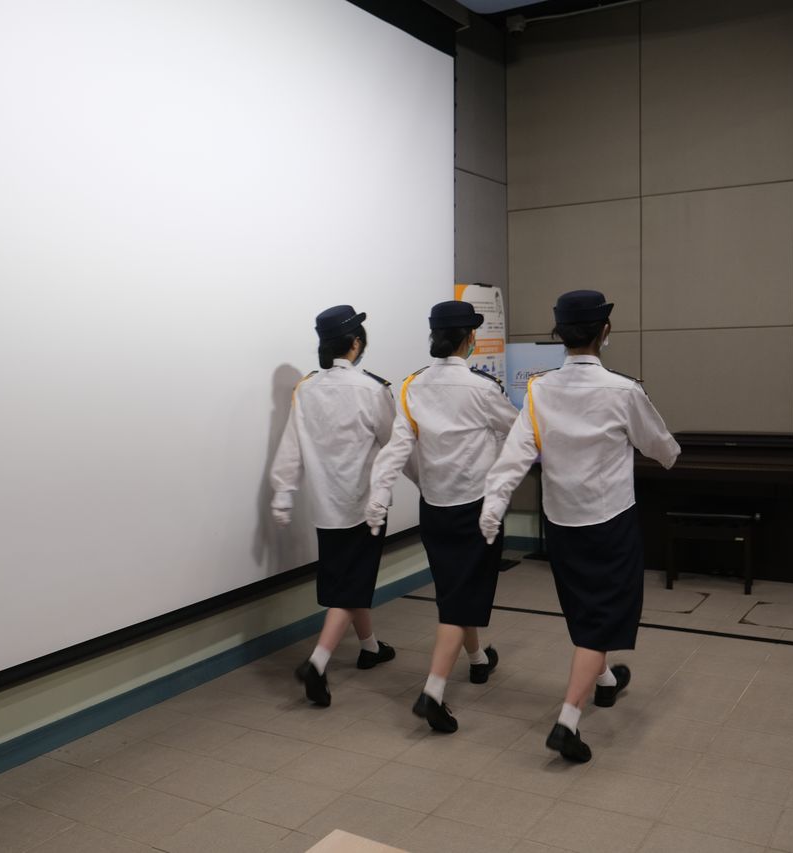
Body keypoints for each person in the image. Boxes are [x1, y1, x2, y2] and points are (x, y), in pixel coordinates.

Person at [479, 290, 680, 762]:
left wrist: (493, 506)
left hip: (561, 521)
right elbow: (662, 448)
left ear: (559, 335)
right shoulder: (623, 390)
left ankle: (605, 680)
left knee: (585, 609)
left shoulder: (538, 389)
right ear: (604, 332)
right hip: (610, 520)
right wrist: (671, 453)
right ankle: (568, 720)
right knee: (602, 618)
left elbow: (515, 455)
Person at [366, 300, 519, 733]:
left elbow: (398, 447)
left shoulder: (412, 385)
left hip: (433, 508)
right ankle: (432, 692)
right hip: (476, 508)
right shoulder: (483, 389)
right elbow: (520, 431)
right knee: (458, 600)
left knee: (454, 591)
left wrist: (379, 494)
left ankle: (478, 658)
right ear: (469, 339)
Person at [270, 305, 399, 707]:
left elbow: (291, 445)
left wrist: (283, 493)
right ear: (356, 343)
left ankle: (370, 647)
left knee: (348, 579)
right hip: (365, 505)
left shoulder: (307, 389)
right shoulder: (372, 390)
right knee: (351, 585)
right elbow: (396, 444)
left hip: (326, 506)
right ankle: (318, 662)